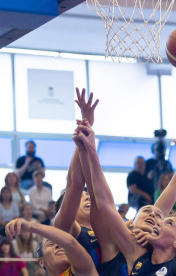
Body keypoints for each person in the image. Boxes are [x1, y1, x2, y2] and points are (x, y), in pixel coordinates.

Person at [75, 120, 176, 276]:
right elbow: (105, 203)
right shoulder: (130, 247)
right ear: (132, 222)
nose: (157, 219)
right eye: (148, 213)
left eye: (164, 220)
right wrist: (88, 150)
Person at [53, 89, 101, 269]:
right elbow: (75, 184)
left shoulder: (111, 227)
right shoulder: (67, 229)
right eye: (82, 197)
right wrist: (83, 135)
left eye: (87, 195)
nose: (87, 196)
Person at [6, 218, 99, 276]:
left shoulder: (84, 269)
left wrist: (30, 226)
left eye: (62, 243)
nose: (59, 245)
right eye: (50, 244)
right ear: (41, 261)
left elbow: (70, 242)